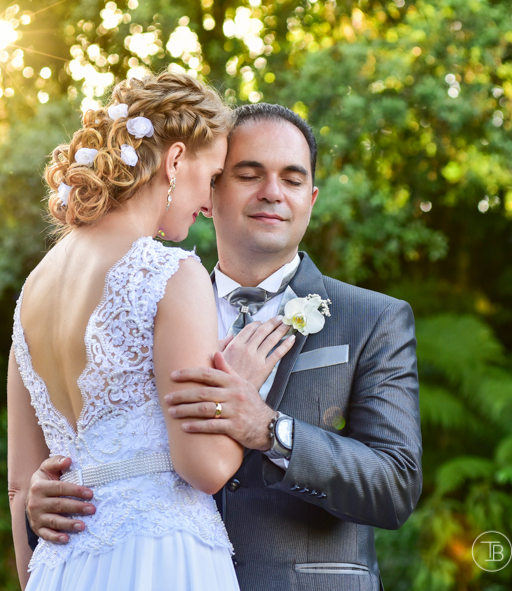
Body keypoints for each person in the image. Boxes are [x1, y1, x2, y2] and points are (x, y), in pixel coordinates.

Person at [26, 102, 423, 591]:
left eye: (292, 179)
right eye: (249, 175)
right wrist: (46, 501)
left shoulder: (375, 319)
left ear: (312, 198)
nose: (272, 192)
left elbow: (396, 485)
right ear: (210, 190)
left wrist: (270, 431)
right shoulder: (151, 298)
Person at [7, 73, 295, 591]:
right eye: (212, 176)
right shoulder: (167, 274)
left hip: (62, 568)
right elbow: (205, 469)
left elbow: (19, 487)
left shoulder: (32, 290)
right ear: (176, 160)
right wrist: (239, 385)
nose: (210, 200)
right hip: (160, 559)